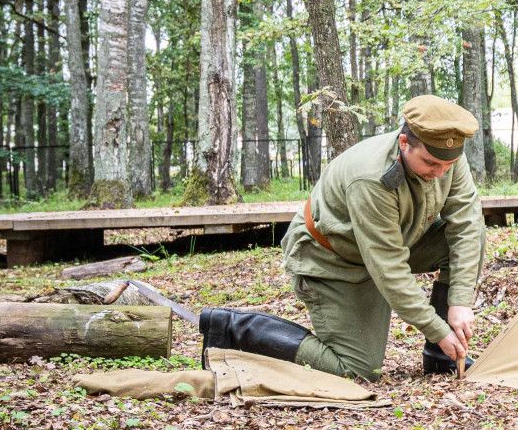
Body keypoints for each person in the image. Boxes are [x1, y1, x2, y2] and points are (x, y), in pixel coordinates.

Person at [198, 95, 486, 379]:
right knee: (358, 369)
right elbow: (389, 267)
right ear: (404, 143)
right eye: (430, 164)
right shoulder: (371, 179)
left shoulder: (444, 156)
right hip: (331, 259)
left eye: (447, 166)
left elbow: (467, 225)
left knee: (469, 237)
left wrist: (458, 301)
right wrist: (436, 327)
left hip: (384, 245)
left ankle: (440, 354)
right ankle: (232, 329)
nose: (439, 173)